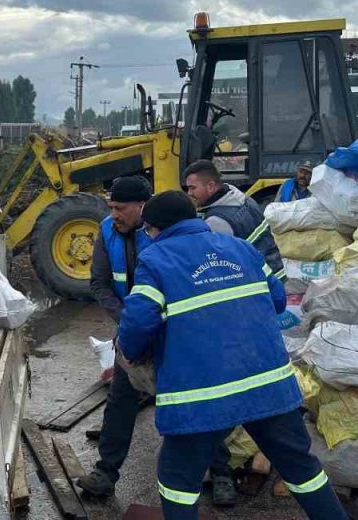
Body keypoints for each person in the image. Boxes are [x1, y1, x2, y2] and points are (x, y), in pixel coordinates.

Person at [117, 191, 348, 520]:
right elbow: (278, 299)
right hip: (266, 384)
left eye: (148, 231)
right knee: (301, 467)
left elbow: (138, 322)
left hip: (202, 392)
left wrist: (133, 352)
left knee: (177, 480)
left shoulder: (157, 261)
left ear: (154, 228)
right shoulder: (243, 249)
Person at [82, 176, 245, 499]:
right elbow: (100, 283)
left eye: (120, 208)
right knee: (120, 401)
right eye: (110, 207)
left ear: (142, 207)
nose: (113, 214)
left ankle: (222, 472)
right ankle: (105, 472)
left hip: (177, 334)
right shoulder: (106, 230)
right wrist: (128, 321)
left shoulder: (164, 231)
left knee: (201, 402)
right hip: (134, 329)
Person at [183, 160, 284, 281]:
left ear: (210, 186)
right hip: (277, 271)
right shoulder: (243, 199)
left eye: (192, 188)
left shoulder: (216, 221)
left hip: (262, 281)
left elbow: (216, 266)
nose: (189, 193)